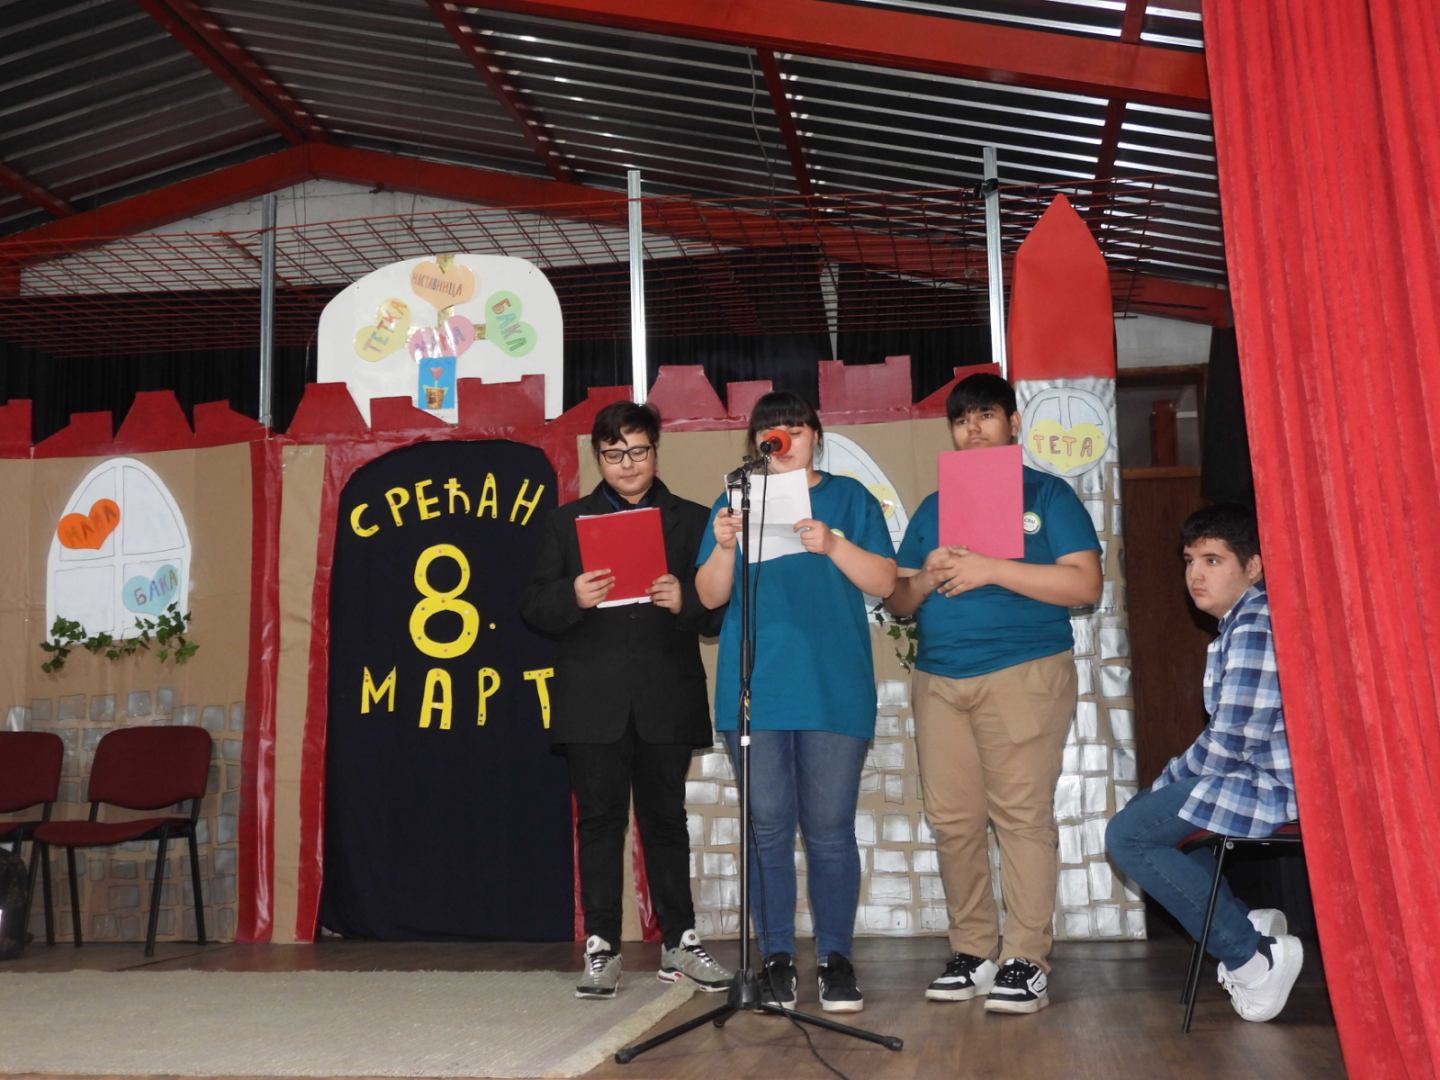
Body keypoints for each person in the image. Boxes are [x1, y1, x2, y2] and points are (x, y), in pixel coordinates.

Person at [885, 372, 1102, 1015]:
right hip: (939, 677)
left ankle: (1026, 958)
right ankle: (973, 950)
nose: (972, 428)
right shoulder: (933, 507)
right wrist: (926, 578)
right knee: (953, 821)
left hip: (1024, 671)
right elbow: (899, 601)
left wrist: (991, 569)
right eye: (961, 420)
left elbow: (1085, 585)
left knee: (1021, 817)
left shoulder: (1048, 494)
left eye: (985, 415)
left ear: (1013, 423)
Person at [521, 401, 732, 1000]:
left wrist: (685, 600)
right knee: (599, 822)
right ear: (598, 458)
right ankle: (602, 946)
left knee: (666, 820)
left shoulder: (692, 519)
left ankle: (680, 942)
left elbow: (715, 613)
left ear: (656, 452)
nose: (628, 464)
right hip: (593, 700)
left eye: (638, 451)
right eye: (614, 454)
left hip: (667, 693)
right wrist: (573, 595)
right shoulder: (566, 523)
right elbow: (532, 606)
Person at [695, 390, 896, 1014]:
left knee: (830, 829)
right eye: (770, 431)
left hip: (832, 686)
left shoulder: (849, 498)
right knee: (768, 828)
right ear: (756, 443)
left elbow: (886, 581)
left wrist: (833, 545)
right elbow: (708, 597)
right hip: (755, 690)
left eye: (795, 429)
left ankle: (836, 958)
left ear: (815, 437)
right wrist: (724, 544)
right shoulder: (733, 501)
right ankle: (776, 958)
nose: (782, 440)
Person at [1106, 504, 1302, 1023]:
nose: (1195, 573)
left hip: (1271, 784)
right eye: (1190, 560)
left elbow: (1233, 740)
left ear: (1253, 567)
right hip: (1252, 776)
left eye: (1213, 560)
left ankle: (1252, 958)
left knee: (1129, 835)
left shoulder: (1255, 622)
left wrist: (1169, 778)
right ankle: (1243, 926)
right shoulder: (1240, 624)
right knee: (1143, 822)